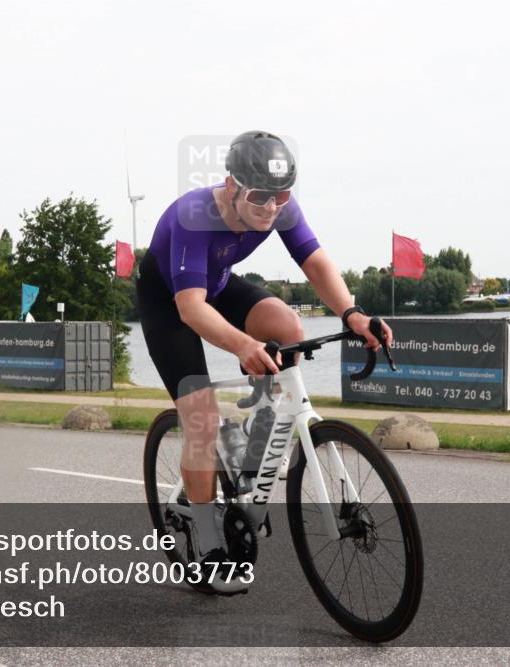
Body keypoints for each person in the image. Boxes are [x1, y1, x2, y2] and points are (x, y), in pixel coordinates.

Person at [136, 130, 392, 594]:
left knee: (288, 327)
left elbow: (316, 263)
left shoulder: (278, 206)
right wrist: (242, 346)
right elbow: (190, 308)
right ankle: (208, 544)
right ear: (231, 185)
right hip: (171, 302)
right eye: (260, 196)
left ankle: (255, 446)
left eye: (282, 196)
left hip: (217, 285)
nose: (272, 207)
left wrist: (352, 314)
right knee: (201, 415)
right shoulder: (195, 216)